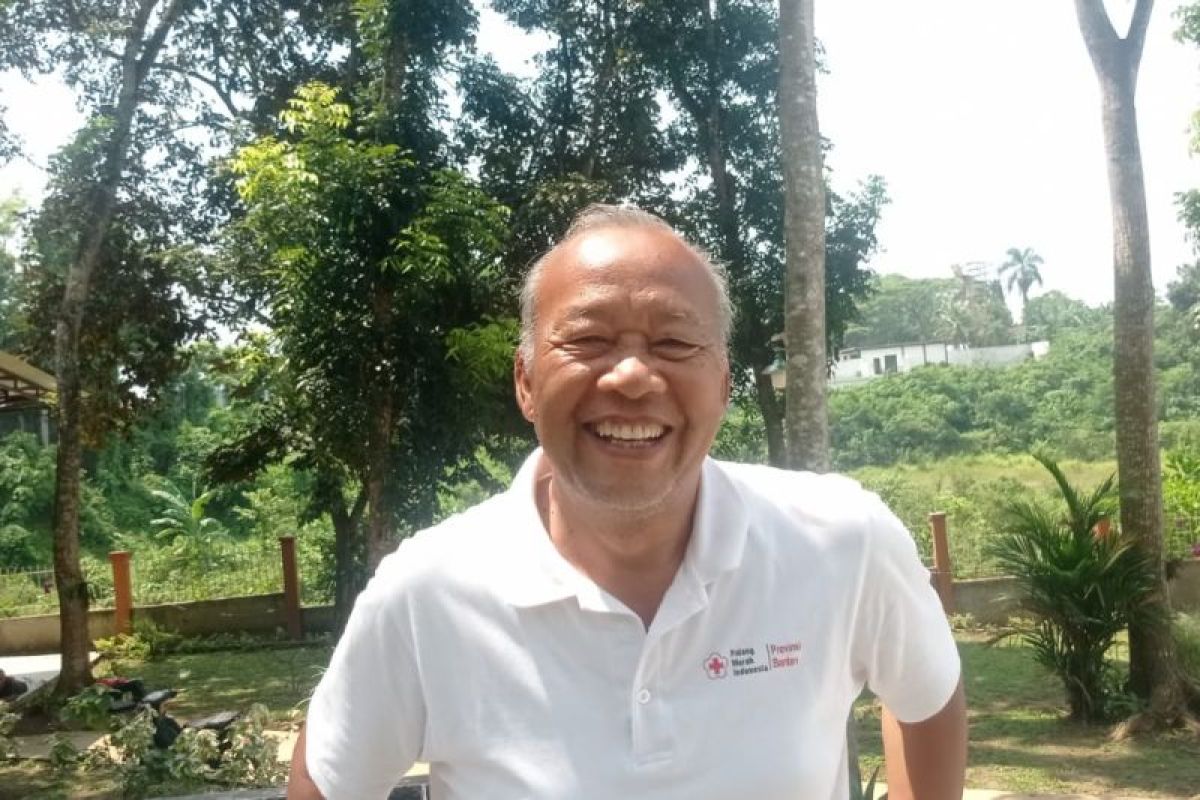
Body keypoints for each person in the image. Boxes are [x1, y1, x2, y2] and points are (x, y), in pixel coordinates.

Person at [288, 205, 967, 800]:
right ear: (526, 381)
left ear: (723, 383)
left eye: (674, 343)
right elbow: (328, 779)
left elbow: (928, 694)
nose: (634, 376)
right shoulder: (427, 593)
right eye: (588, 340)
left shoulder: (841, 540)